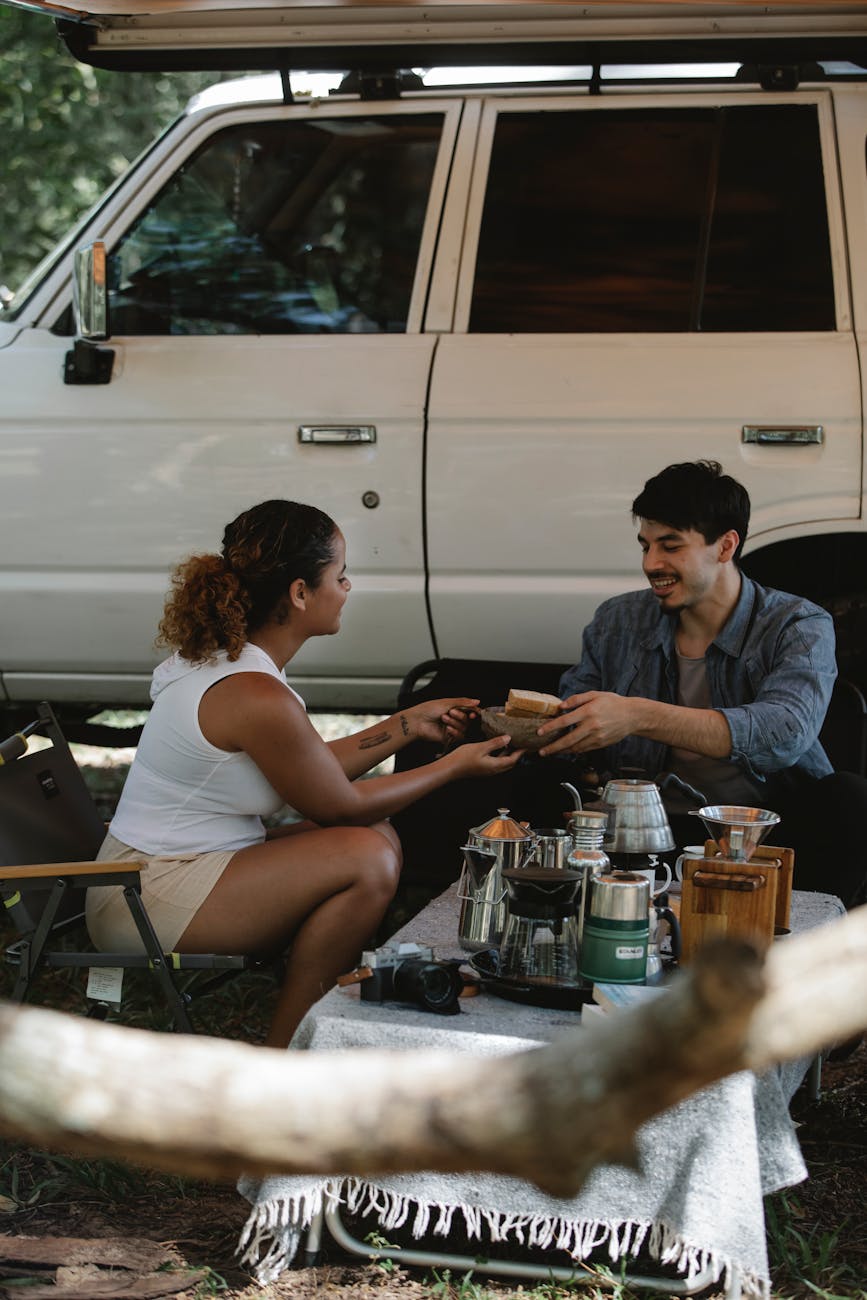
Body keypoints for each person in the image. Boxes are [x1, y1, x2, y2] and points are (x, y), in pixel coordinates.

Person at [85, 499, 521, 1048]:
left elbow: (310, 770)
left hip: (165, 875)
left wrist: (408, 725)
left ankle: (306, 1030)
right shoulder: (254, 691)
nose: (347, 587)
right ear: (299, 592)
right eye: (339, 576)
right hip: (147, 898)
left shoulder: (237, 664)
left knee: (372, 839)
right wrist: (453, 767)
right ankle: (289, 1055)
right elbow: (337, 804)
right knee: (365, 854)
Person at [537, 460, 866, 907]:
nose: (652, 563)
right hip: (646, 833)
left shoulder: (798, 624)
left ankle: (800, 941)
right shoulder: (617, 620)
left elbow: (785, 732)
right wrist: (523, 729)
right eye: (646, 546)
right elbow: (568, 719)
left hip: (766, 834)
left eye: (671, 546)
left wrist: (636, 715)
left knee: (851, 799)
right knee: (532, 780)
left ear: (726, 545)